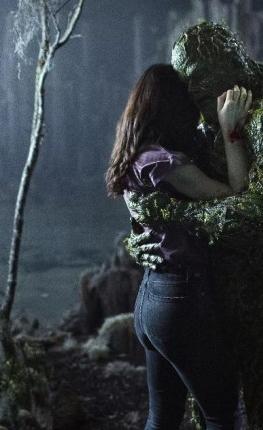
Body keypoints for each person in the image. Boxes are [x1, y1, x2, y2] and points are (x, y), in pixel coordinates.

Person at [105, 63, 252, 430]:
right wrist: (231, 130)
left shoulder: (136, 156)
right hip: (181, 302)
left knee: (163, 419)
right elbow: (236, 194)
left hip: (152, 298)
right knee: (224, 415)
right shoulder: (164, 163)